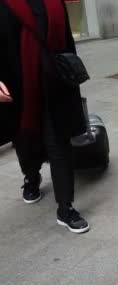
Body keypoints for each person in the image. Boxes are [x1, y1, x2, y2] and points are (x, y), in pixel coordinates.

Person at [0, 0, 90, 233]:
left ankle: (65, 207)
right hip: (19, 85)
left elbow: (67, 42)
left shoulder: (54, 2)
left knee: (59, 143)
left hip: (55, 84)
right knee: (25, 139)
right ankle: (31, 177)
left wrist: (72, 73)